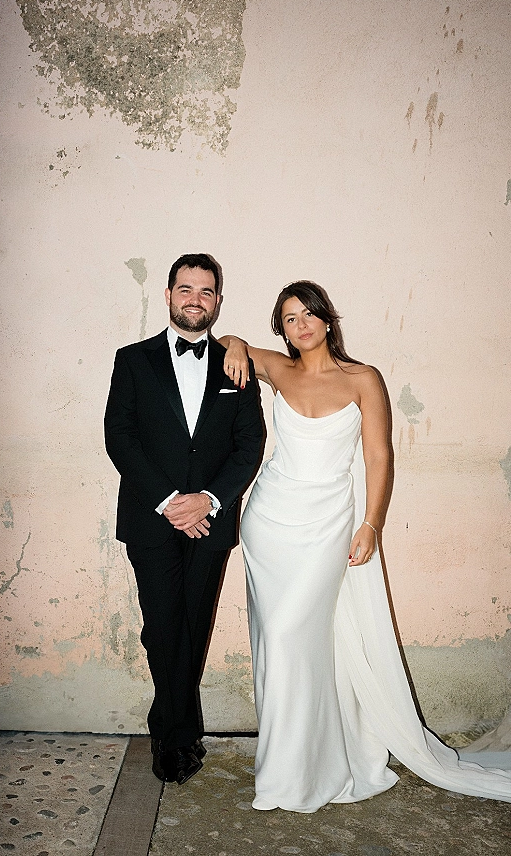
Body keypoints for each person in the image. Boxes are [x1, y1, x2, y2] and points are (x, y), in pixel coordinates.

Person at [219, 280, 511, 812]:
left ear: (327, 320)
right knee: (275, 643)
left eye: (308, 314)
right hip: (269, 523)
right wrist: (237, 343)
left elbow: (379, 457)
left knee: (296, 640)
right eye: (288, 318)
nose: (300, 324)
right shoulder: (278, 370)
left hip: (328, 525)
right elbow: (222, 343)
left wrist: (372, 524)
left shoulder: (363, 379)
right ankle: (287, 769)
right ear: (280, 329)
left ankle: (306, 769)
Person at [104, 253, 263, 786]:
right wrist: (173, 500)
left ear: (218, 301)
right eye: (186, 289)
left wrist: (210, 500)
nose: (196, 299)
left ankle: (174, 726)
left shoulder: (234, 366)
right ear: (169, 295)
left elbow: (249, 446)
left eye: (207, 291)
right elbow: (119, 439)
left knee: (191, 626)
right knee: (163, 626)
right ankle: (174, 735)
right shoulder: (131, 360)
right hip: (152, 519)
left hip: (211, 520)